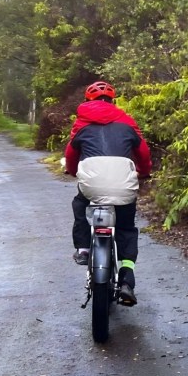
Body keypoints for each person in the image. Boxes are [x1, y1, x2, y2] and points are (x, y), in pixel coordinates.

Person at [63, 80, 152, 306]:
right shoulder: (127, 123)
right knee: (125, 228)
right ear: (113, 101)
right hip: (123, 185)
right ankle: (127, 277)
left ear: (87, 101)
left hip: (92, 186)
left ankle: (83, 249)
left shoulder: (81, 125)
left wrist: (73, 172)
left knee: (80, 203)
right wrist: (144, 172)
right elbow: (142, 154)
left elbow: (71, 156)